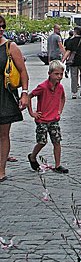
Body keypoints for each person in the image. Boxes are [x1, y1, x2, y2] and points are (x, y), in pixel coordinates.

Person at [0, 15, 30, 183]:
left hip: (4, 95)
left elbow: (23, 71)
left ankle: (1, 170)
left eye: (3, 26)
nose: (1, 29)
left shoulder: (10, 47)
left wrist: (25, 93)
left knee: (3, 134)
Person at [27, 60, 67, 174]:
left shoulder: (60, 87)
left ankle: (58, 165)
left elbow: (63, 98)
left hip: (54, 119)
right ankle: (33, 156)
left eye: (61, 74)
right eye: (56, 74)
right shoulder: (43, 87)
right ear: (49, 73)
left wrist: (59, 111)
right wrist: (32, 112)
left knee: (57, 141)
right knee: (42, 141)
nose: (59, 77)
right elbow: (29, 96)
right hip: (42, 119)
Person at [63, 25, 81, 99]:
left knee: (74, 77)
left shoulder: (71, 41)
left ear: (75, 32)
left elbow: (68, 52)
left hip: (74, 61)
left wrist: (63, 60)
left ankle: (74, 93)